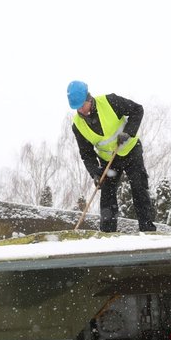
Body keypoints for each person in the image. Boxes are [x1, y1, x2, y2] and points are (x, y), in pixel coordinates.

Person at [67, 80, 157, 233]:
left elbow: (137, 110)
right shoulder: (77, 125)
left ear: (89, 98)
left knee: (138, 186)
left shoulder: (110, 102)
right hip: (109, 160)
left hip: (130, 151)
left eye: (82, 105)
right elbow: (86, 153)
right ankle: (107, 233)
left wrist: (128, 131)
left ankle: (147, 228)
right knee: (107, 194)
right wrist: (95, 172)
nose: (81, 111)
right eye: (77, 108)